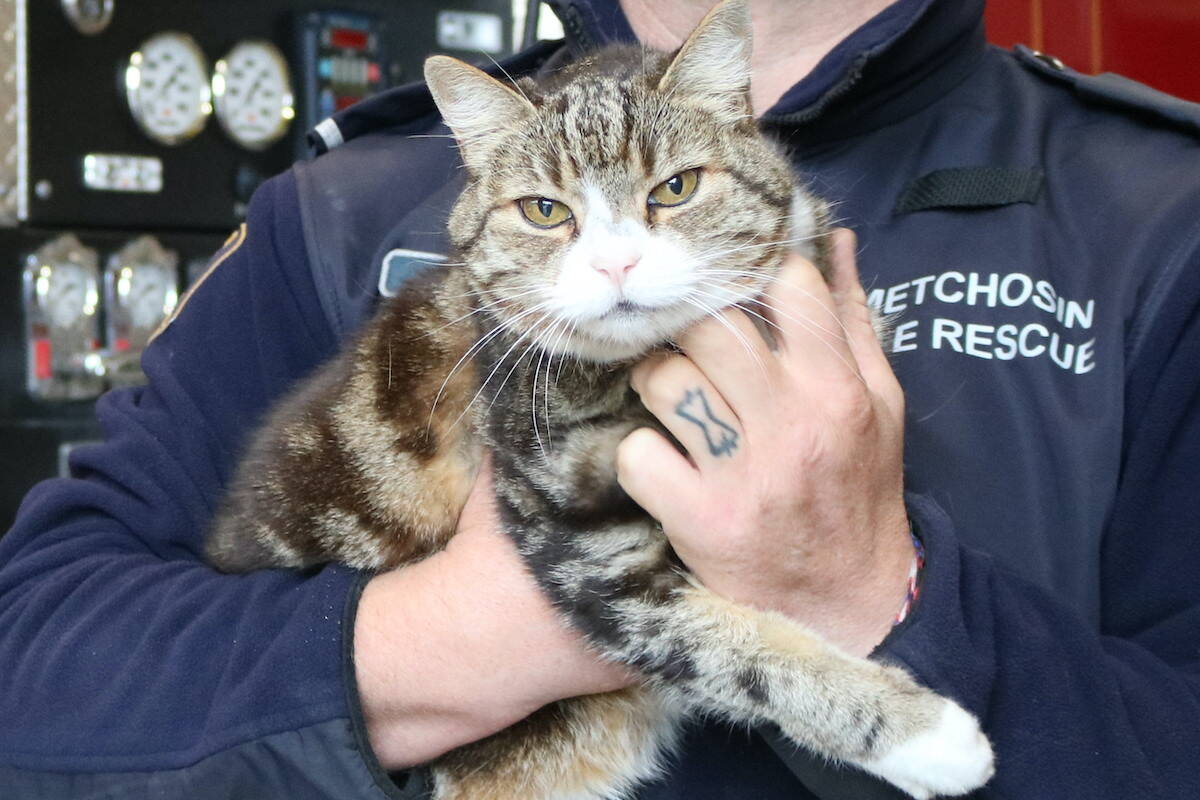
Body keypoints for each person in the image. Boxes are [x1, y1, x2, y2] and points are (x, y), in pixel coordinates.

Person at [1, 0, 1198, 797]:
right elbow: (37, 675)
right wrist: (447, 638)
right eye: (545, 212)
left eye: (673, 191)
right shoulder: (336, 211)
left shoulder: (1162, 219)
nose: (617, 257)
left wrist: (873, 597)